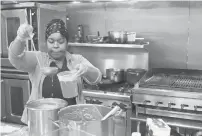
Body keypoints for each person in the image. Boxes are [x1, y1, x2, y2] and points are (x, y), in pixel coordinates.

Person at [8, 19, 102, 124]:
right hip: (41, 122)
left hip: (72, 123)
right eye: (51, 41)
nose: (56, 45)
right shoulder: (39, 59)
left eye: (61, 41)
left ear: (67, 43)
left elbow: (97, 78)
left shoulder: (77, 60)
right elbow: (15, 57)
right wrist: (20, 38)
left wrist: (87, 70)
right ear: (46, 42)